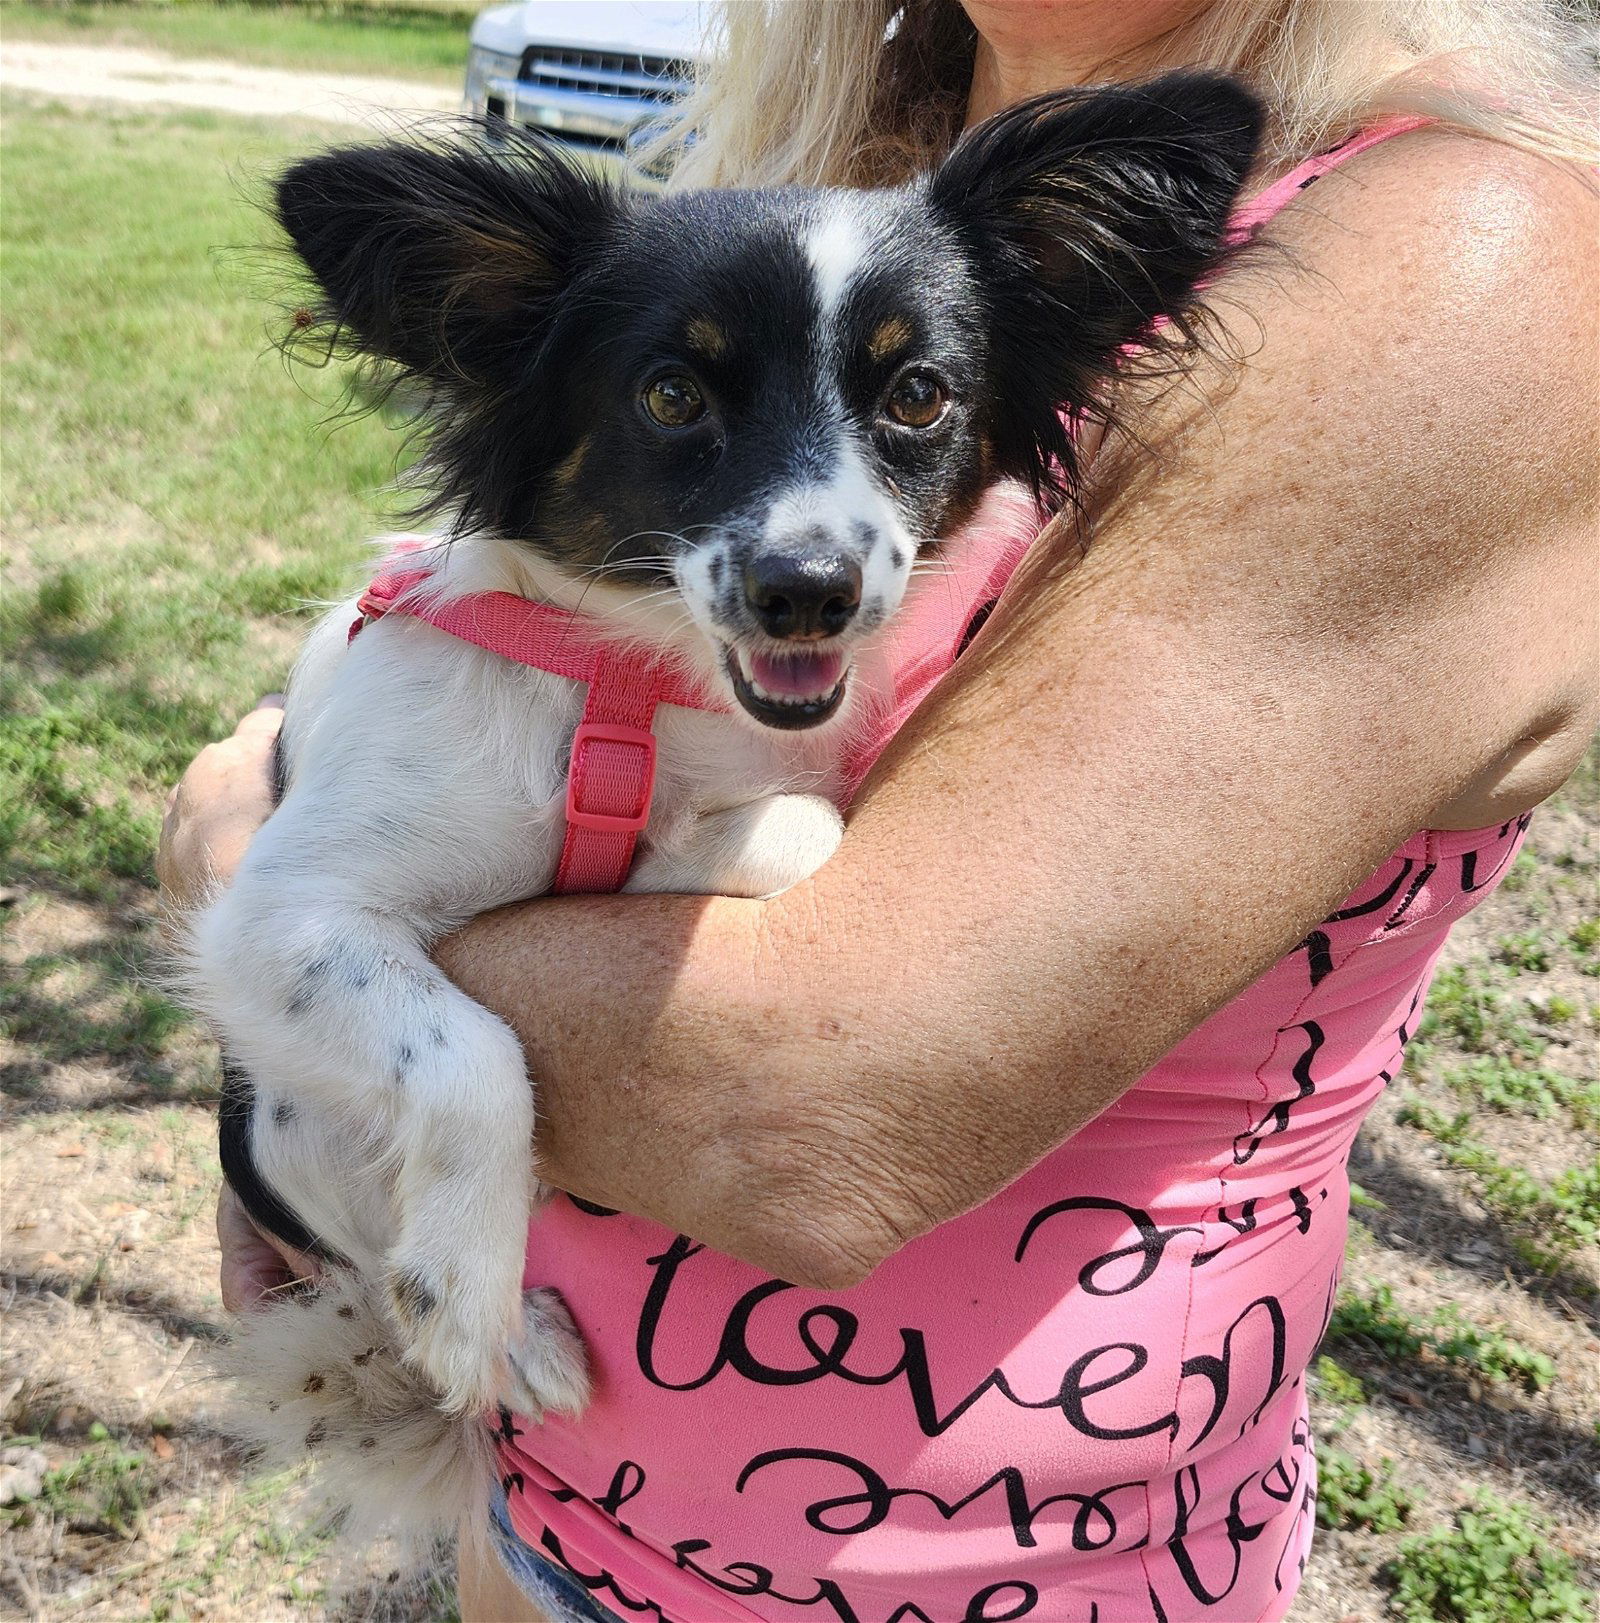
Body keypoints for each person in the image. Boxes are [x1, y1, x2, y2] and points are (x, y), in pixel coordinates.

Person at [158, 1, 1598, 1619]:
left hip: (979, 1567)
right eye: (690, 406)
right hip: (549, 1499)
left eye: (910, 408)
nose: (815, 536)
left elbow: (799, 1119)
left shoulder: (1462, 259)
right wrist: (314, 1103)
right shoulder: (836, 170)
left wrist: (231, 850)